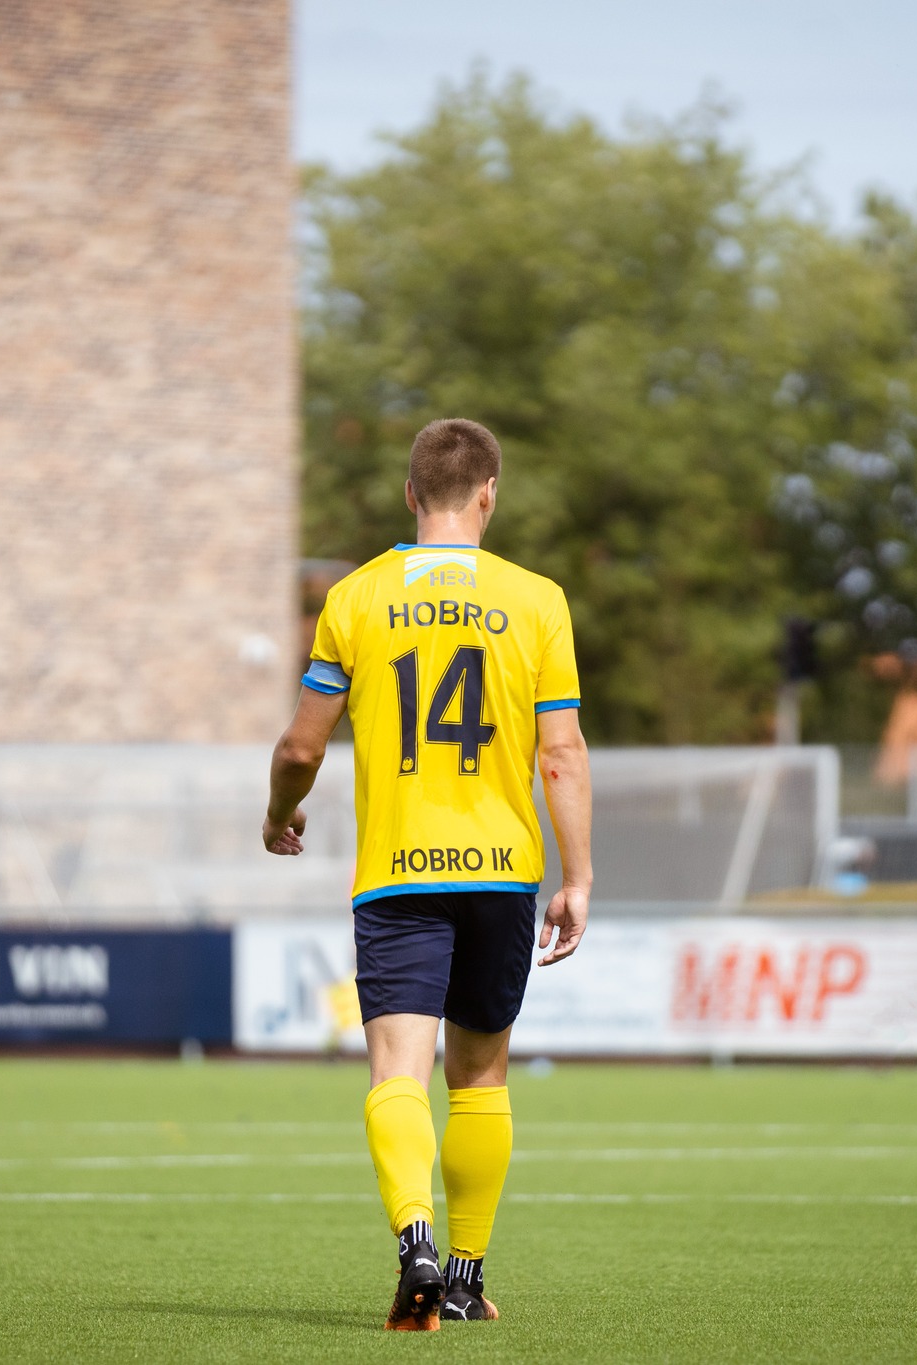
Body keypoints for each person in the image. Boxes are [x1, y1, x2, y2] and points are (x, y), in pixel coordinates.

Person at [262, 418, 594, 1331]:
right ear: (489, 494)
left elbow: (301, 743)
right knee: (479, 1079)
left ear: (412, 497)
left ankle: (413, 1243)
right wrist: (579, 875)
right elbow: (559, 753)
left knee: (395, 1072)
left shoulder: (357, 596)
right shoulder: (537, 600)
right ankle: (464, 1272)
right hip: (502, 875)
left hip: (399, 873)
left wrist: (278, 811)